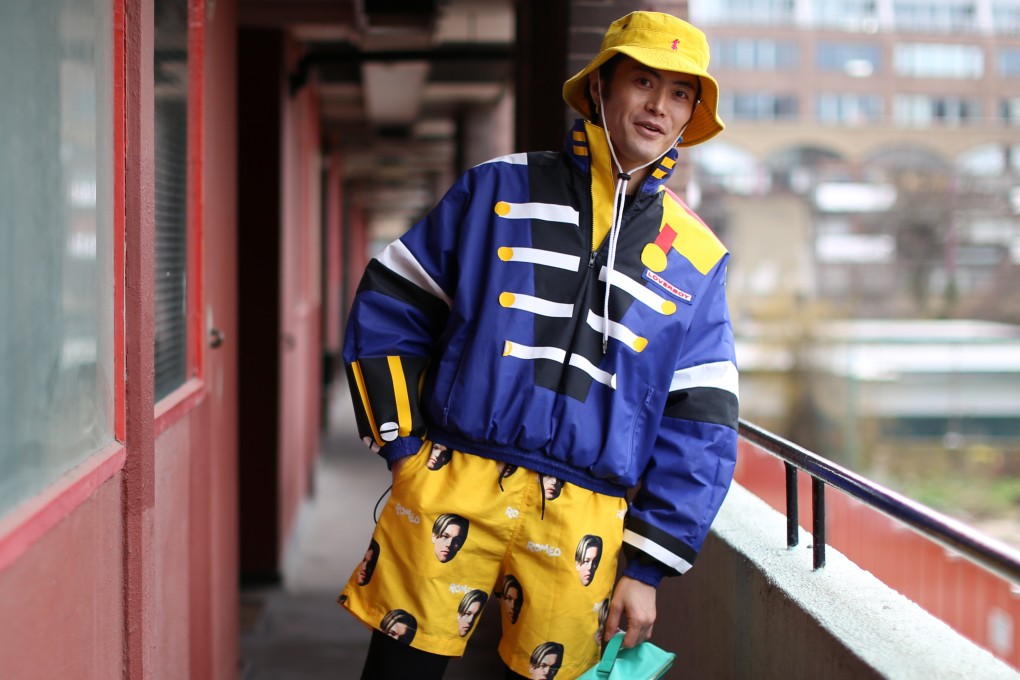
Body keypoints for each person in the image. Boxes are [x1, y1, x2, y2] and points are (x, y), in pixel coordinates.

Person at [339, 10, 738, 680]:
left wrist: (647, 569)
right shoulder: (497, 187)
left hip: (585, 514)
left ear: (690, 114)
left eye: (679, 94)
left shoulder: (697, 255)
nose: (658, 106)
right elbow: (393, 298)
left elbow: (702, 418)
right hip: (453, 476)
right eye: (642, 81)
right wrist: (402, 445)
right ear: (601, 88)